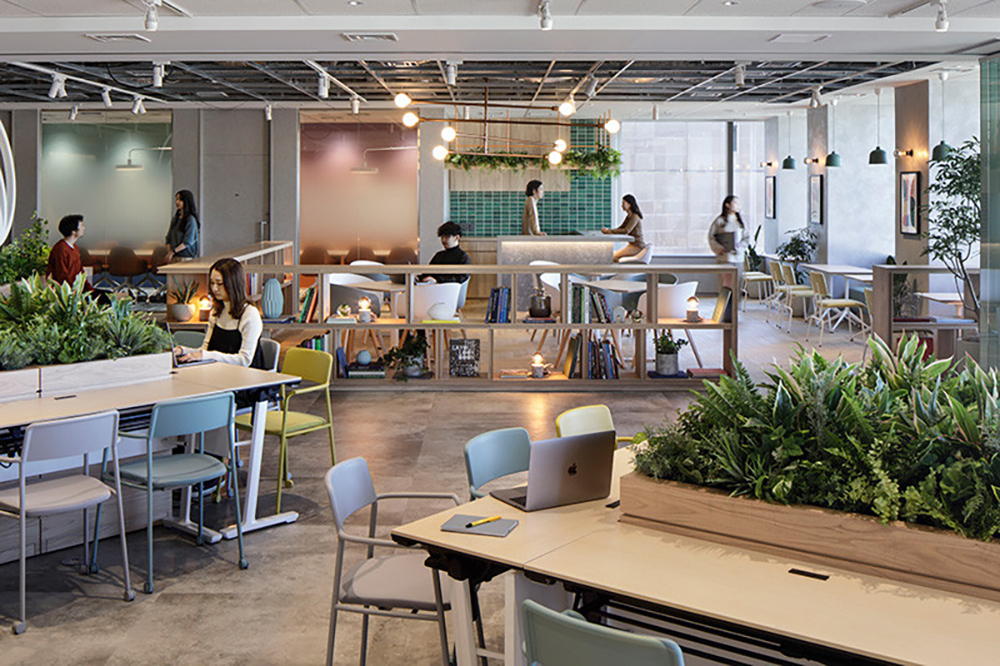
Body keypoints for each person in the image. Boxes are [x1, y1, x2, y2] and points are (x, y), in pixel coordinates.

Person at [176, 258, 264, 368]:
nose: (214, 288)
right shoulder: (216, 311)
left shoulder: (249, 314)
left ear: (233, 284)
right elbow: (205, 350)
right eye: (212, 283)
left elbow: (244, 360)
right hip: (220, 372)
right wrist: (182, 350)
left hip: (246, 375)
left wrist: (207, 355)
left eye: (219, 283)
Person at [707, 195, 748, 291]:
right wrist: (720, 248)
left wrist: (740, 247)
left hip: (738, 257)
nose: (738, 205)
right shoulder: (720, 221)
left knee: (737, 285)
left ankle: (736, 301)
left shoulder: (740, 222)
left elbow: (746, 238)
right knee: (726, 285)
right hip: (725, 257)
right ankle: (726, 301)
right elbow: (711, 237)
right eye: (735, 203)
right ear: (727, 205)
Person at [46, 214, 94, 291]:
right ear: (73, 231)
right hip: (66, 292)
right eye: (81, 226)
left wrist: (90, 290)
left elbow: (80, 272)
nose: (83, 228)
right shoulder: (61, 249)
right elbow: (62, 277)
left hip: (76, 290)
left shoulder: (74, 248)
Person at [602, 194, 647, 262]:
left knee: (614, 256)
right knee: (613, 256)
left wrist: (609, 231)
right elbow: (621, 228)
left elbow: (626, 230)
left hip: (637, 247)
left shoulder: (635, 216)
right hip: (632, 245)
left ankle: (617, 269)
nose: (621, 205)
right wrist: (608, 231)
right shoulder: (629, 217)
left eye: (623, 203)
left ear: (629, 204)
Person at [165, 189, 200, 261]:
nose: (177, 202)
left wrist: (173, 252)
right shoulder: (175, 218)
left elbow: (188, 241)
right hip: (174, 256)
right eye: (177, 199)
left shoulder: (190, 219)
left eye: (180, 200)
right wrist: (170, 252)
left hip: (185, 257)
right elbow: (168, 238)